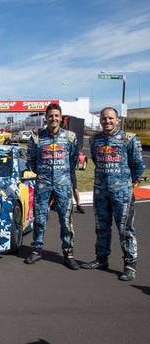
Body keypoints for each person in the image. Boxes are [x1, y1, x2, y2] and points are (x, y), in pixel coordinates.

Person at [81, 107, 145, 281]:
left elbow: (138, 166)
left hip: (122, 193)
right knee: (102, 227)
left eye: (110, 118)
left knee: (125, 229)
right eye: (104, 119)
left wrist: (125, 183)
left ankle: (130, 265)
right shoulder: (95, 139)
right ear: (100, 120)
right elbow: (96, 159)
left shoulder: (129, 139)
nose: (107, 121)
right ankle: (102, 259)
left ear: (118, 120)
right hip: (101, 192)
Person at [25, 103, 79, 270]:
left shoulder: (70, 137)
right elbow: (31, 160)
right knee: (40, 218)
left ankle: (68, 253)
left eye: (56, 116)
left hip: (63, 184)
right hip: (43, 184)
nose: (53, 118)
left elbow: (73, 160)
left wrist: (62, 175)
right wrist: (42, 175)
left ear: (61, 118)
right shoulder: (36, 137)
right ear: (46, 118)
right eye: (51, 116)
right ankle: (36, 249)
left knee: (66, 220)